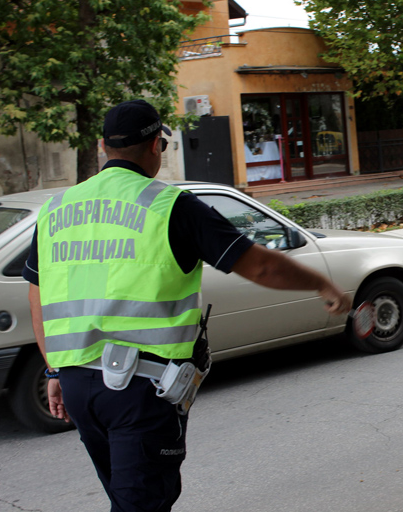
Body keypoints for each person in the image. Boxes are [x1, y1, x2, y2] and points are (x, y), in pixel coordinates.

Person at [23, 99, 351, 512]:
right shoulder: (169, 206)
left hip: (77, 387)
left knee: (126, 499)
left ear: (103, 145)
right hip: (139, 391)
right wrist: (322, 284)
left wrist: (54, 367)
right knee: (142, 504)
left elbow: (37, 291)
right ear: (157, 146)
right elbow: (261, 267)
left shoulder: (57, 209)